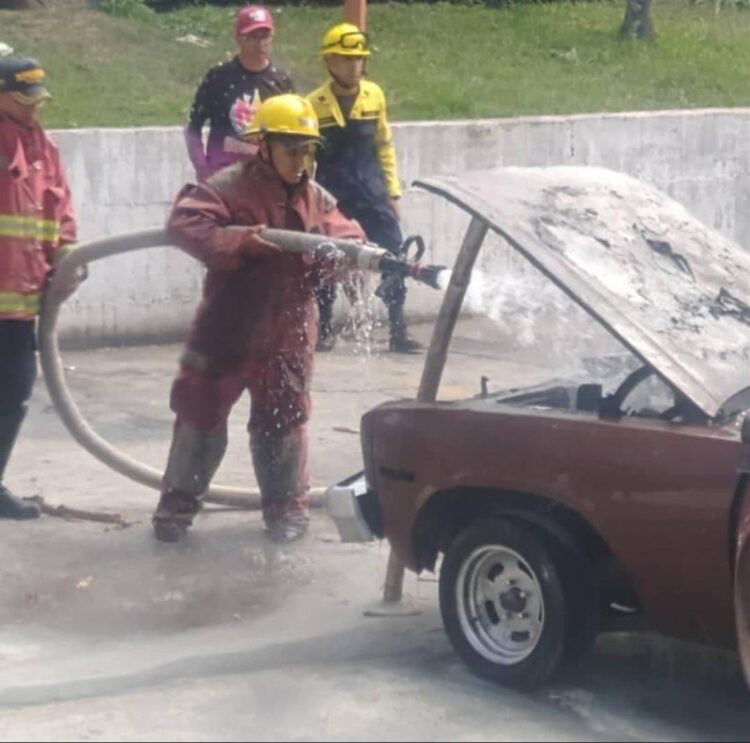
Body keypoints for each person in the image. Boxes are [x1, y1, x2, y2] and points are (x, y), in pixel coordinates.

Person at [153, 94, 365, 545]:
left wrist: (343, 260)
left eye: (307, 149)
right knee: (199, 418)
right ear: (264, 145)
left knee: (282, 423)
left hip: (288, 333)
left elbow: (349, 239)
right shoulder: (227, 185)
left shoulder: (315, 197)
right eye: (292, 148)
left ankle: (286, 510)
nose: (301, 159)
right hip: (227, 327)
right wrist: (239, 241)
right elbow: (184, 225)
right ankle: (176, 508)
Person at [0, 56, 83, 519]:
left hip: (21, 303)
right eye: (24, 101)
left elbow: (61, 209)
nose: (35, 110)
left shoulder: (44, 148)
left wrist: (68, 255)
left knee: (13, 394)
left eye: (38, 102)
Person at [307, 22, 420, 354]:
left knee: (394, 256)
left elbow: (385, 145)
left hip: (372, 192)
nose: (354, 65)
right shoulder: (313, 103)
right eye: (345, 58)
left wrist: (393, 192)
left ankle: (398, 327)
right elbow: (305, 158)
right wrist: (307, 201)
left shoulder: (375, 96)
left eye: (358, 59)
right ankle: (325, 327)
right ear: (329, 60)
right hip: (333, 196)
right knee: (325, 261)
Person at [184, 5, 294, 182]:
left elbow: (293, 132)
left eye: (265, 36)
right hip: (223, 177)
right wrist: (202, 168)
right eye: (252, 37)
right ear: (238, 39)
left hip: (267, 179)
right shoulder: (218, 77)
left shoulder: (281, 81)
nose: (260, 43)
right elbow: (193, 127)